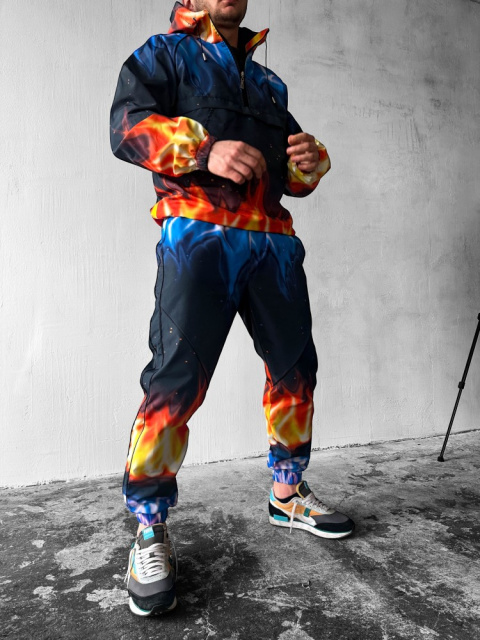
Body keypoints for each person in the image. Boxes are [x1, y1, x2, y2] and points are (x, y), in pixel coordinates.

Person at [110, 0, 355, 617]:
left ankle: (287, 493)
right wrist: (204, 149)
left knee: (296, 370)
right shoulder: (163, 54)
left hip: (272, 244)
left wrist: (310, 164)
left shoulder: (268, 81)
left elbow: (290, 173)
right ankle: (149, 529)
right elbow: (126, 127)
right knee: (175, 380)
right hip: (198, 236)